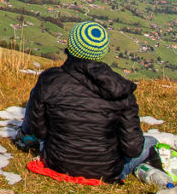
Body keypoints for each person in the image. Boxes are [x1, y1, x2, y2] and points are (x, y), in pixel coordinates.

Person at [16, 21, 156, 182]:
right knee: (151, 142)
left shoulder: (49, 80)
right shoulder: (121, 90)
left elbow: (38, 131)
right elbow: (133, 149)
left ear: (71, 45)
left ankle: (24, 138)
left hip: (57, 162)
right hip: (106, 171)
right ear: (102, 51)